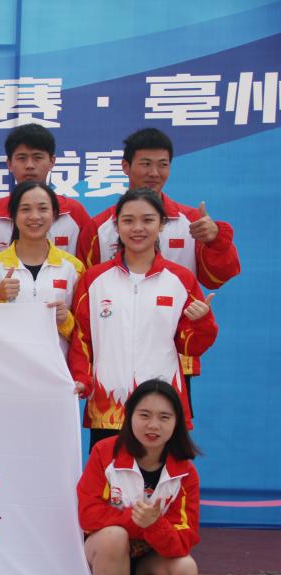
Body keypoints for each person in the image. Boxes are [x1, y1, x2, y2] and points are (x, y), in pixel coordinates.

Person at [77, 128, 240, 411]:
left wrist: (215, 241)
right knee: (113, 431)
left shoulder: (191, 221)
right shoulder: (100, 226)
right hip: (115, 353)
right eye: (146, 163)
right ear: (126, 166)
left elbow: (217, 277)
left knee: (163, 425)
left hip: (172, 350)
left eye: (163, 164)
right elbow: (86, 299)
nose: (154, 173)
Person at [69, 188, 217, 447]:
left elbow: (191, 347)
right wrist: (82, 378)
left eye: (148, 220)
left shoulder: (181, 279)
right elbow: (82, 337)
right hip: (108, 405)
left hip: (162, 406)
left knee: (163, 473)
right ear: (117, 226)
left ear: (161, 225)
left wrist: (202, 323)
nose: (138, 228)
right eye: (128, 220)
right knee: (109, 473)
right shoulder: (94, 279)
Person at [77, 379, 200, 575]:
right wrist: (138, 521)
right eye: (144, 415)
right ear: (129, 416)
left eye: (164, 417)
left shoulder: (185, 472)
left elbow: (184, 541)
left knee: (185, 571)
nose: (153, 425)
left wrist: (155, 525)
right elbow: (88, 515)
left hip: (146, 562)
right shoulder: (105, 452)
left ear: (177, 423)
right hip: (103, 556)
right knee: (113, 537)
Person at [0, 124, 92, 259]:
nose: (29, 165)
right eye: (22, 158)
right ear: (9, 163)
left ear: (52, 161)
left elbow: (92, 264)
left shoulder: (74, 213)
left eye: (37, 157)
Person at [0, 181, 85, 354]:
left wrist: (66, 320)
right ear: (13, 215)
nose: (34, 216)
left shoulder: (74, 268)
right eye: (25, 209)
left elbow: (86, 332)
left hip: (55, 367)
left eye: (43, 209)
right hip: (6, 365)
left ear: (54, 215)